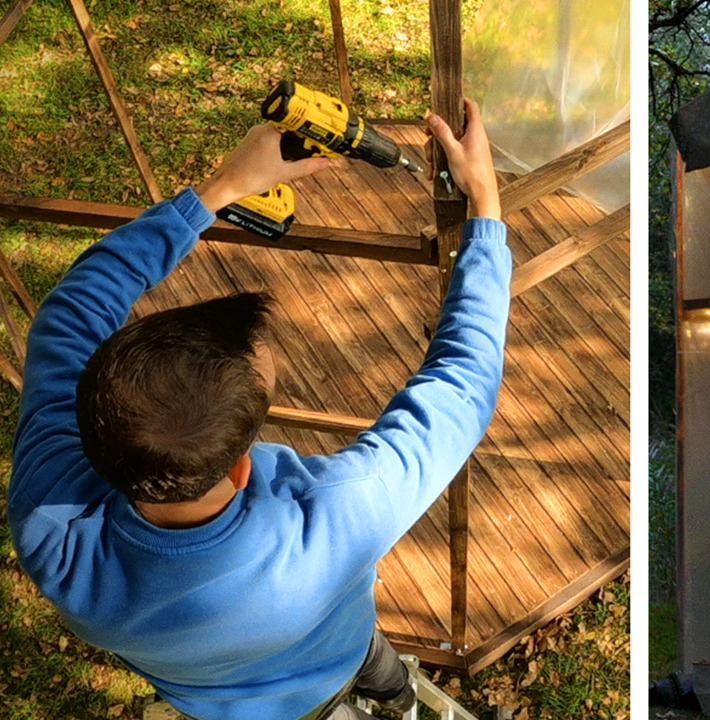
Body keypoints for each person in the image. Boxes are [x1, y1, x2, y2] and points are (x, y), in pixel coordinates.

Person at [6, 99, 508, 720]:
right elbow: (463, 382)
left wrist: (220, 190)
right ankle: (392, 694)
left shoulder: (50, 520)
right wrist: (485, 203)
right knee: (374, 670)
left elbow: (70, 309)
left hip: (222, 703)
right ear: (242, 468)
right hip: (335, 655)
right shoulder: (337, 519)